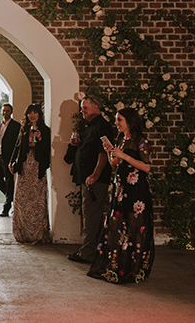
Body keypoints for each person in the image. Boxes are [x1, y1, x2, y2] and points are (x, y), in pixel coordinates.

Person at [88, 107, 155, 283]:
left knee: (135, 226)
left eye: (120, 120)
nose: (116, 124)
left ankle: (135, 268)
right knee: (116, 226)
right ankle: (116, 265)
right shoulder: (120, 139)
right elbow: (115, 165)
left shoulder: (141, 141)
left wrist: (124, 155)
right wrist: (112, 153)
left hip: (136, 191)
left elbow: (147, 167)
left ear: (129, 122)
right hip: (120, 189)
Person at [65, 95, 114, 263]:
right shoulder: (92, 126)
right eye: (81, 107)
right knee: (93, 217)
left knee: (91, 217)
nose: (82, 110)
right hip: (89, 180)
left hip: (95, 181)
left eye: (85, 107)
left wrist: (95, 175)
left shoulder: (102, 126)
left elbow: (103, 153)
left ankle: (87, 254)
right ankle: (98, 250)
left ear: (96, 107)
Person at [8, 104, 51, 244]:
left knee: (37, 199)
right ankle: (22, 233)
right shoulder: (24, 129)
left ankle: (37, 234)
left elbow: (47, 150)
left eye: (35, 113)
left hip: (37, 168)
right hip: (24, 167)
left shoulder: (45, 130)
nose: (32, 115)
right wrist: (11, 161)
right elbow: (18, 146)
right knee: (22, 198)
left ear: (39, 114)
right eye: (29, 113)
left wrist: (40, 139)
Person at [0, 103, 21, 217]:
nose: (5, 113)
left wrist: (14, 159)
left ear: (11, 112)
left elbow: (17, 144)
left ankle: (6, 207)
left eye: (7, 111)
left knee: (9, 182)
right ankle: (13, 198)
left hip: (8, 158)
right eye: (4, 110)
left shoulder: (16, 125)